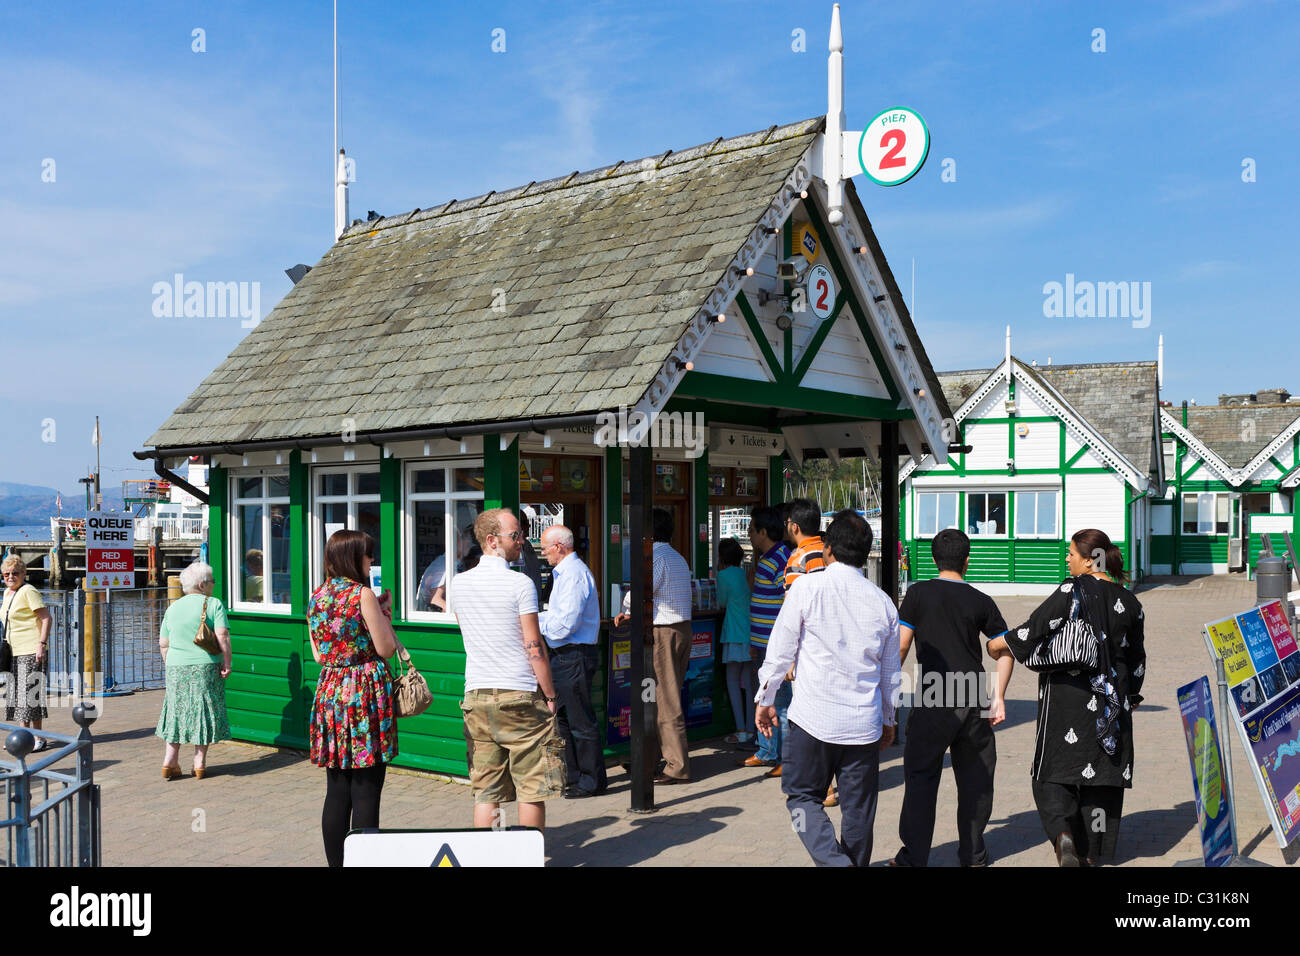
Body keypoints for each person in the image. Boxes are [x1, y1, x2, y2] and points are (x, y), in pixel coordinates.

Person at [986, 528, 1146, 867]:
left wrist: (996, 644)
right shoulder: (1131, 601)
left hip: (1065, 699)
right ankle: (1093, 854)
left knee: (1053, 773)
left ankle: (1064, 837)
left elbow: (1033, 629)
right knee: (1101, 778)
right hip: (1109, 702)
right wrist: (1130, 694)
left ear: (1090, 561)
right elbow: (1137, 660)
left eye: (1071, 554)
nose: (1066, 559)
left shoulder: (1070, 590)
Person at [756, 510, 900, 867]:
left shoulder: (806, 587)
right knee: (859, 810)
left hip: (812, 721)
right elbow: (890, 673)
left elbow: (780, 649)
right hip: (863, 724)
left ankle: (835, 863)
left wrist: (766, 698)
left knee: (802, 799)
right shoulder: (883, 603)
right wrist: (889, 719)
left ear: (828, 549)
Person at [892, 529, 1012, 867]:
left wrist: (889, 695)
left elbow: (901, 646)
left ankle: (913, 857)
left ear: (933, 559)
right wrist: (998, 696)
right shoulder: (980, 599)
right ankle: (973, 855)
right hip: (973, 695)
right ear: (967, 560)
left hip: (933, 694)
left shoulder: (917, 593)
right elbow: (1005, 651)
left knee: (920, 778)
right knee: (976, 780)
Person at [453, 508, 565, 828]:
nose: (522, 540)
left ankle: (489, 859)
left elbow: (469, 634)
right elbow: (533, 646)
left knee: (487, 792)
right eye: (514, 535)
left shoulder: (458, 584)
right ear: (491, 541)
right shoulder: (520, 584)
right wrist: (550, 693)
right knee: (532, 788)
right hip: (519, 694)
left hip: (476, 695)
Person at [308, 530, 399, 867]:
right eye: (367, 555)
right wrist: (383, 614)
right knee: (366, 787)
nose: (370, 561)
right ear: (353, 557)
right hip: (363, 694)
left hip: (330, 691)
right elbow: (385, 648)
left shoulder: (317, 596)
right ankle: (364, 863)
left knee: (337, 789)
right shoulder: (361, 594)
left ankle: (337, 865)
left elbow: (319, 654)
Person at [613, 507, 693, 784]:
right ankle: (650, 758)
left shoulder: (654, 557)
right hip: (681, 629)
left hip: (663, 632)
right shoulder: (678, 557)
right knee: (662, 699)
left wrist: (624, 609)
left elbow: (641, 592)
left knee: (665, 701)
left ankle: (677, 766)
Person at [538, 523, 606, 798]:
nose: (543, 553)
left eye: (544, 548)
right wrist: (543, 622)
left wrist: (535, 622)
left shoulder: (574, 575)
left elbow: (564, 625)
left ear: (559, 547)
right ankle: (575, 776)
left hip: (573, 654)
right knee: (565, 719)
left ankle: (592, 781)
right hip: (564, 655)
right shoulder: (566, 573)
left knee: (579, 721)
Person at [155, 562, 233, 779]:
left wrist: (170, 663)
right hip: (206, 665)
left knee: (176, 711)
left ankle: (169, 760)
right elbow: (223, 636)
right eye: (212, 581)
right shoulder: (214, 604)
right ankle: (199, 762)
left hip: (175, 665)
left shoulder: (173, 607)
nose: (214, 585)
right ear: (202, 584)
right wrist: (227, 662)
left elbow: (163, 643)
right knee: (203, 711)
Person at [740, 505, 790, 773]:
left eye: (751, 530)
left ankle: (779, 755)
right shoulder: (772, 557)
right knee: (766, 698)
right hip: (762, 642)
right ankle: (767, 750)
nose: (749, 535)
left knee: (777, 701)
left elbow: (787, 601)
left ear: (763, 532)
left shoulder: (779, 559)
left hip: (773, 645)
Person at [1, 555, 53, 744]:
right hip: (14, 651)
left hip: (31, 650)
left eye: (15, 573)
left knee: (30, 697)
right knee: (18, 697)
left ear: (24, 573)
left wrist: (41, 644)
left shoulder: (28, 591)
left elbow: (46, 618)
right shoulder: (7, 594)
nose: (10, 577)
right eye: (6, 574)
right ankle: (24, 738)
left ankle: (37, 738)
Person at [715, 537, 754, 745]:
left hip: (732, 632)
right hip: (749, 632)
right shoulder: (746, 574)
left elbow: (721, 602)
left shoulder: (722, 576)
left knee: (732, 680)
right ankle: (750, 728)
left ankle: (740, 729)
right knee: (748, 683)